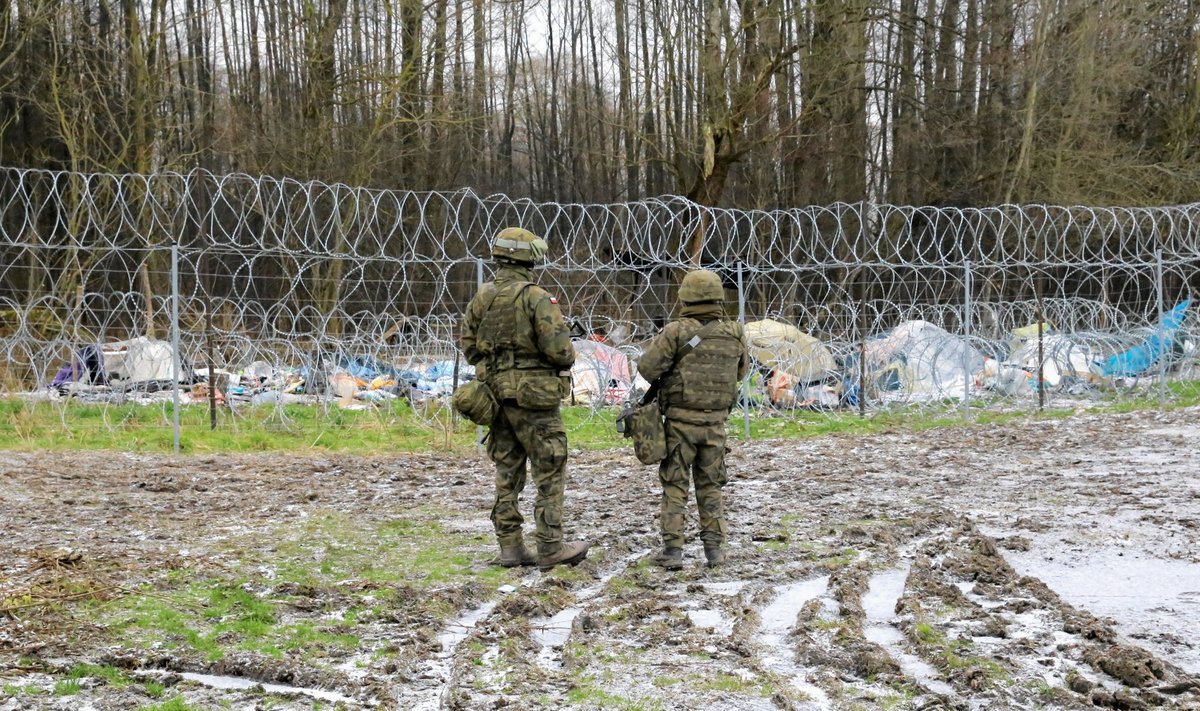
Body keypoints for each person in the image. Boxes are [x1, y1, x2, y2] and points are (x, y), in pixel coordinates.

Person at [461, 227, 590, 571]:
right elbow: (560, 351)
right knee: (549, 467)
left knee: (507, 470)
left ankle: (510, 547)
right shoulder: (537, 297)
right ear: (529, 257)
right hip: (535, 399)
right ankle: (550, 546)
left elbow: (469, 346)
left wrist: (497, 367)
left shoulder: (482, 296)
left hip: (495, 396)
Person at [634, 269, 748, 569]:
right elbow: (740, 373)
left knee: (675, 485)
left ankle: (673, 552)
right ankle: (715, 551)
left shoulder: (675, 331)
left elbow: (647, 369)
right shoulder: (734, 331)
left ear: (684, 297)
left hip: (679, 424)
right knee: (711, 486)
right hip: (715, 425)